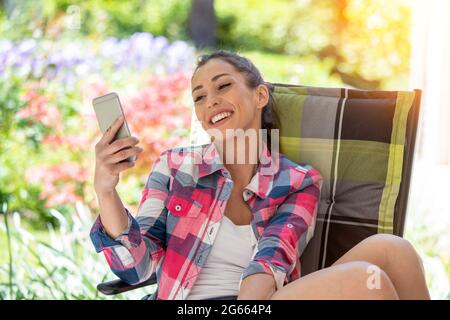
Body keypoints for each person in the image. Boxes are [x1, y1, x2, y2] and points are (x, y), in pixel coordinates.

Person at [90, 50, 430, 300]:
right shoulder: (175, 168)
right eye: (199, 97)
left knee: (393, 250)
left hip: (256, 300)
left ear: (260, 95)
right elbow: (136, 268)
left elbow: (271, 261)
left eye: (223, 86)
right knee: (364, 280)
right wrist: (105, 190)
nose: (211, 101)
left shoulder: (297, 180)